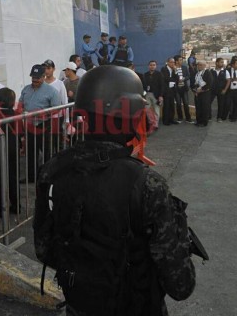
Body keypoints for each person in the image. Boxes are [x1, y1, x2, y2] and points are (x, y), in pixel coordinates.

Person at [34, 66, 196, 316]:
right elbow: (181, 285)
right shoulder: (146, 184)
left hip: (79, 306)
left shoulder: (52, 170)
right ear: (130, 116)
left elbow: (44, 250)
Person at [18, 64, 62, 183]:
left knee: (47, 151)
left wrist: (44, 114)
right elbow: (20, 104)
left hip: (44, 125)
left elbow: (57, 108)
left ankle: (47, 176)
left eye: (37, 78)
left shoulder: (51, 91)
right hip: (30, 125)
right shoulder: (26, 89)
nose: (35, 80)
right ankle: (32, 177)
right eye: (33, 77)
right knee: (31, 152)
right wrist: (21, 111)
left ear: (43, 77)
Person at [0, 87, 21, 215]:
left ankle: (2, 208)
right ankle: (16, 205)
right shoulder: (16, 113)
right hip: (13, 148)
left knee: (0, 179)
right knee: (13, 177)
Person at [142, 60, 164, 129]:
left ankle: (155, 124)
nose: (152, 66)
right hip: (147, 94)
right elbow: (143, 85)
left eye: (154, 65)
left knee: (156, 110)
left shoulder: (159, 74)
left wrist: (161, 96)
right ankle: (150, 122)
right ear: (148, 66)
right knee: (147, 110)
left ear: (156, 66)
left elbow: (162, 85)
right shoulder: (145, 74)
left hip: (156, 95)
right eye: (151, 65)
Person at [192, 60, 213, 127]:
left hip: (205, 93)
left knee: (205, 108)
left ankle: (204, 122)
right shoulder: (197, 73)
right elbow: (194, 83)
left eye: (201, 65)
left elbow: (210, 84)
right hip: (197, 93)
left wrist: (201, 90)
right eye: (198, 65)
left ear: (204, 66)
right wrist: (195, 90)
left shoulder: (207, 72)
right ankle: (198, 121)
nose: (199, 66)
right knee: (198, 108)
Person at [160, 57, 180, 126]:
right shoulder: (164, 69)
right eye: (171, 62)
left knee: (172, 105)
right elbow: (165, 78)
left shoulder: (173, 70)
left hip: (172, 90)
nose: (173, 64)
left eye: (174, 62)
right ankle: (166, 120)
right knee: (166, 105)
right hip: (166, 90)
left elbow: (177, 79)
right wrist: (173, 80)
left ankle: (171, 119)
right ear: (167, 62)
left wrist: (176, 71)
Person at [173, 55, 192, 123]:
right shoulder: (173, 68)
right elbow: (172, 78)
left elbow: (188, 76)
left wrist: (184, 78)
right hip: (176, 89)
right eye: (180, 60)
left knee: (186, 103)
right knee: (178, 103)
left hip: (184, 88)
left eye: (182, 60)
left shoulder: (184, 67)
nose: (182, 61)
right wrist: (175, 72)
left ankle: (188, 118)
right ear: (176, 61)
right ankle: (180, 118)